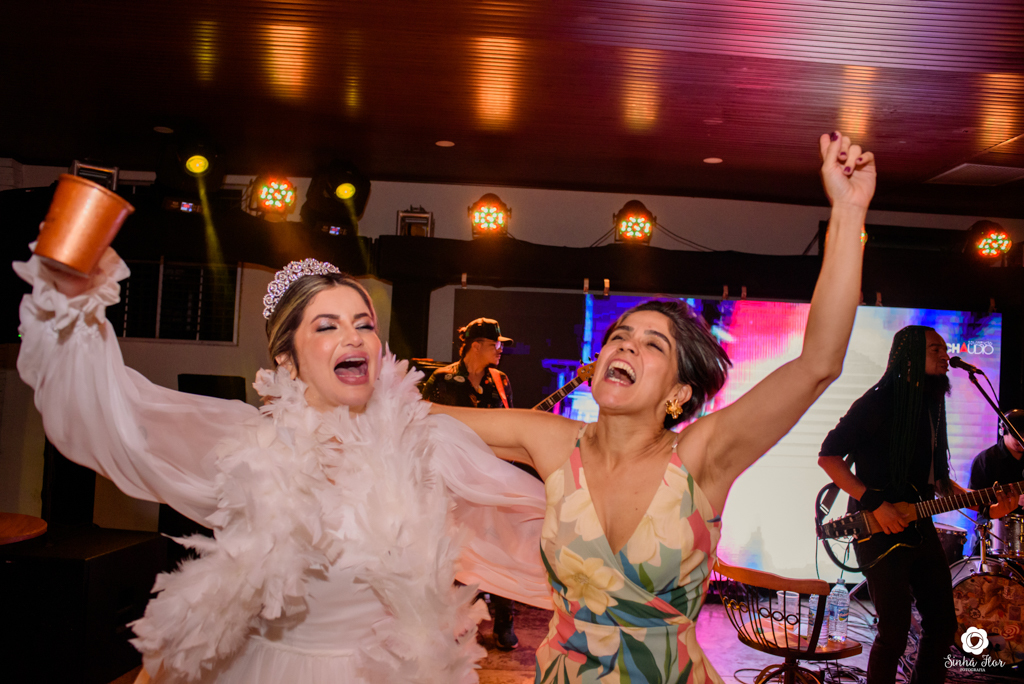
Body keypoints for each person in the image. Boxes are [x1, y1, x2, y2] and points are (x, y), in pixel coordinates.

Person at [430, 131, 874, 683]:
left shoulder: (701, 457)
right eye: (619, 336)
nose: (625, 346)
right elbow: (419, 420)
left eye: (652, 344)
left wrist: (848, 212)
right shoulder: (553, 441)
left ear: (678, 394)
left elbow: (818, 363)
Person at [14, 254, 551, 683]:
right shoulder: (247, 443)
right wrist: (69, 299)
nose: (355, 336)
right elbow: (118, 419)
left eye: (364, 324)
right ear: (288, 359)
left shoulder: (426, 444)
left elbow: (534, 522)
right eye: (327, 326)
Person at [818, 326, 1015, 683]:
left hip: (920, 528)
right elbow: (828, 457)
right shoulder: (877, 402)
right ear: (909, 359)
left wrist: (986, 508)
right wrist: (875, 503)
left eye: (944, 349)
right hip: (877, 529)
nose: (945, 356)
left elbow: (939, 482)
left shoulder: (931, 406)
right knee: (893, 632)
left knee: (942, 625)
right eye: (935, 350)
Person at [423, 317, 521, 649]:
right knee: (459, 549)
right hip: (454, 479)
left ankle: (504, 622)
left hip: (492, 478)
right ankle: (459, 621)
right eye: (495, 344)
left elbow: (508, 424)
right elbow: (422, 423)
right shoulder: (442, 379)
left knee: (500, 545)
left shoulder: (501, 380)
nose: (501, 350)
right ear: (476, 346)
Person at [970, 408, 1024, 522]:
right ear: (1003, 431)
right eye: (1018, 436)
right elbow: (975, 508)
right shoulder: (985, 460)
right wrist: (1011, 501)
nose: (1023, 439)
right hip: (997, 527)